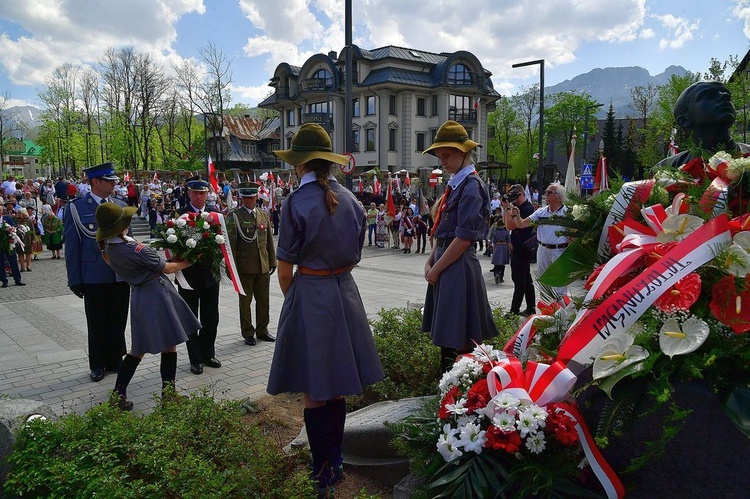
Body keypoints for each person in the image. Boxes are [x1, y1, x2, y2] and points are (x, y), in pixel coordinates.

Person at [267, 123, 384, 496]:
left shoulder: (294, 203)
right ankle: (335, 461)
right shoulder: (351, 200)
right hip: (345, 292)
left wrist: (298, 303)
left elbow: (285, 271)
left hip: (311, 292)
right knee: (336, 389)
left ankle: (322, 476)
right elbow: (356, 256)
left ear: (299, 163)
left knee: (315, 391)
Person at [95, 203, 200, 411]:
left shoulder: (108, 249)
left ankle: (119, 394)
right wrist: (189, 261)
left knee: (141, 347)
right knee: (164, 345)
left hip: (139, 295)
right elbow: (168, 268)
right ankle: (167, 396)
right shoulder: (135, 248)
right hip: (156, 295)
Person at [420, 120, 499, 372]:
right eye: (439, 155)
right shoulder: (457, 184)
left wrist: (436, 268)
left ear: (463, 152)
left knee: (459, 339)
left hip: (457, 265)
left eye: (447, 154)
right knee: (447, 335)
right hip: (447, 262)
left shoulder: (471, 186)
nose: (442, 160)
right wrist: (430, 259)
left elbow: (464, 238)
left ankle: (458, 400)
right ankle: (447, 398)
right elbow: (443, 230)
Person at [64, 162, 129, 381]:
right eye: (108, 181)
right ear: (95, 182)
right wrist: (75, 279)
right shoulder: (77, 208)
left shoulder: (120, 205)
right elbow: (72, 246)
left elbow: (128, 243)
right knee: (97, 321)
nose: (113, 184)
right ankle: (98, 364)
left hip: (119, 274)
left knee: (118, 320)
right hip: (94, 275)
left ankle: (115, 360)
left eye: (114, 181)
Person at [177, 176, 222, 375]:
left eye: (203, 193)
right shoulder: (181, 216)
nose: (199, 197)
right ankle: (195, 359)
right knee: (190, 319)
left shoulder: (215, 216)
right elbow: (178, 246)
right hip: (189, 277)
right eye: (195, 193)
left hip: (210, 275)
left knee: (211, 317)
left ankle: (208, 353)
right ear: (189, 194)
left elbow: (222, 244)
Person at [228, 183, 277, 346]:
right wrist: (232, 268)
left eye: (252, 197)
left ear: (257, 197)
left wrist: (272, 261)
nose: (249, 200)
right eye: (246, 198)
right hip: (244, 267)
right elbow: (232, 244)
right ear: (241, 198)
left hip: (262, 265)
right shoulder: (234, 216)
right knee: (245, 302)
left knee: (264, 301)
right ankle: (248, 332)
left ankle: (263, 330)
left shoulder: (263, 214)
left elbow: (269, 240)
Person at [511, 182, 569, 298]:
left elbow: (573, 234)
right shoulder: (540, 212)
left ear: (558, 196)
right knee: (544, 282)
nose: (546, 194)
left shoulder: (567, 213)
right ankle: (546, 309)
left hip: (560, 250)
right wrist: (516, 216)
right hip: (543, 249)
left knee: (560, 283)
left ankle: (562, 311)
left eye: (549, 192)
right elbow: (522, 224)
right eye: (546, 192)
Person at [504, 184, 537, 316]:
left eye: (515, 195)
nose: (513, 198)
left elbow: (510, 226)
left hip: (523, 248)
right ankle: (531, 308)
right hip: (519, 247)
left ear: (522, 194)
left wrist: (507, 208)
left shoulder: (526, 208)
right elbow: (507, 224)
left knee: (519, 279)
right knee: (526, 279)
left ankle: (514, 310)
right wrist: (507, 209)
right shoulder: (518, 208)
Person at [490, 219, 510, 284]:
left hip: (497, 247)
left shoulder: (496, 232)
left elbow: (494, 241)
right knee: (503, 263)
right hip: (504, 247)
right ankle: (501, 277)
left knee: (496, 262)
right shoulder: (506, 232)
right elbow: (508, 241)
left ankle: (496, 274)